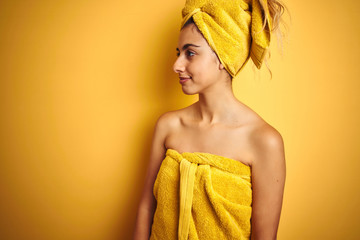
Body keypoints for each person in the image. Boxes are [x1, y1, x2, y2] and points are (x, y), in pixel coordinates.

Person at [133, 0, 289, 239]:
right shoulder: (168, 126)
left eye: (190, 53)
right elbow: (146, 207)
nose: (176, 65)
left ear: (222, 57)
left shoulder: (264, 140)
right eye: (178, 53)